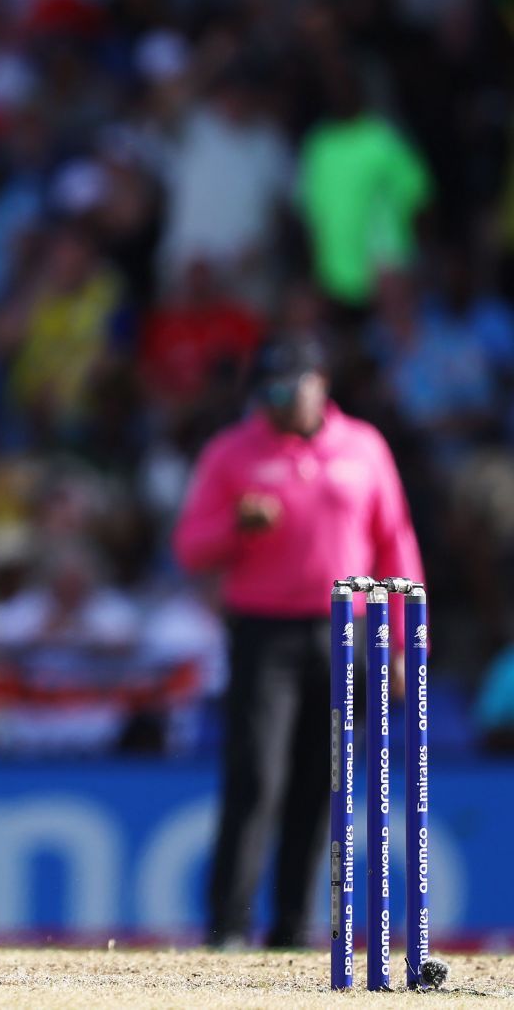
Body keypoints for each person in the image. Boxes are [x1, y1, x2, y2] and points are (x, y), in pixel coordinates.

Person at [173, 336, 422, 948]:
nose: (278, 405)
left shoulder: (363, 447)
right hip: (264, 630)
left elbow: (395, 543)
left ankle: (293, 925)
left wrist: (402, 643)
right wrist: (237, 527)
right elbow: (190, 547)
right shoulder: (233, 451)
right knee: (257, 774)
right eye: (268, 394)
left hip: (350, 630)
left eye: (289, 390)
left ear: (320, 381)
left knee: (325, 780)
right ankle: (228, 925)